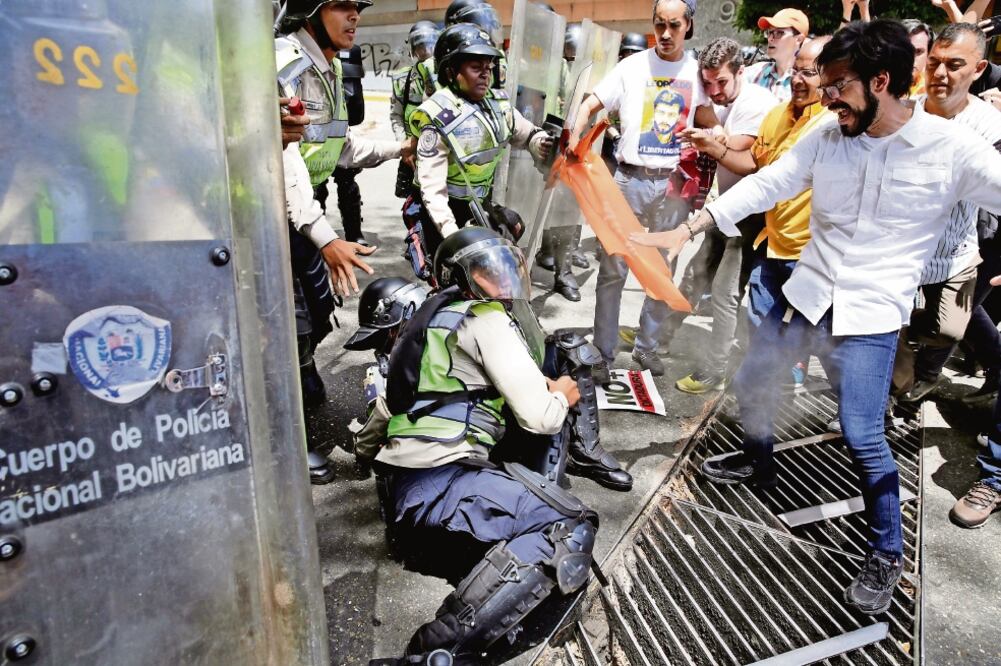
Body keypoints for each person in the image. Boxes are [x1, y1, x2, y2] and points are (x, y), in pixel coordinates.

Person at [632, 20, 1001, 615]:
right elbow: (771, 182)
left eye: (837, 85)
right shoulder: (829, 134)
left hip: (871, 317)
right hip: (807, 296)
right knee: (753, 383)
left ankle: (886, 553)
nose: (825, 97)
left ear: (881, 81)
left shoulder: (953, 149)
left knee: (862, 435)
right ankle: (759, 464)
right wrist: (690, 226)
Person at [368, 227, 599, 664]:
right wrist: (562, 396)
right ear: (463, 277)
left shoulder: (426, 326)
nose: (501, 278)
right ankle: (433, 653)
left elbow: (381, 420)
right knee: (565, 530)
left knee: (515, 589)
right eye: (487, 271)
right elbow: (541, 418)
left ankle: (464, 649)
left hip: (405, 499)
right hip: (444, 483)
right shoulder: (486, 319)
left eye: (503, 267)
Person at [276, 0, 409, 482]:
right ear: (311, 8)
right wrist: (327, 237)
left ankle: (305, 394)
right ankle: (287, 443)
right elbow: (285, 161)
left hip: (303, 213)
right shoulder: (284, 63)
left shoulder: (325, 69)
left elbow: (341, 145)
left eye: (357, 8)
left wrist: (402, 148)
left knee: (312, 320)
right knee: (285, 333)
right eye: (342, 6)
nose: (355, 17)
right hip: (273, 217)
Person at [566, 0, 719, 377]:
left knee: (660, 269)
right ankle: (602, 351)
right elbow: (591, 103)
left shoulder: (696, 72)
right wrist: (575, 130)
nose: (665, 34)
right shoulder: (632, 66)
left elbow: (712, 123)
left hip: (673, 185)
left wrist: (713, 138)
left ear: (689, 27)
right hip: (628, 182)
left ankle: (646, 348)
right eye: (659, 24)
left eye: (674, 26)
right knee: (613, 267)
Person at [679, 36, 832, 393]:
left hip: (809, 250)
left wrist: (716, 143)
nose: (798, 79)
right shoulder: (778, 114)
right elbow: (756, 167)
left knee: (821, 336)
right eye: (796, 71)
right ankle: (758, 395)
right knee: (759, 317)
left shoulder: (832, 126)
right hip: (769, 236)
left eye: (810, 73)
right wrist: (712, 146)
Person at [892, 23, 1001, 405]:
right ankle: (887, 401)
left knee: (950, 331)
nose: (939, 74)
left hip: (956, 251)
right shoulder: (904, 112)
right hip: (901, 253)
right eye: (934, 62)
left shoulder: (991, 127)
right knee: (894, 359)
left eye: (954, 65)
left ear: (979, 68)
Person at [672, 38, 778, 394]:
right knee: (695, 276)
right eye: (709, 83)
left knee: (724, 293)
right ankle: (658, 336)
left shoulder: (758, 103)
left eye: (722, 82)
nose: (715, 91)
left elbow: (740, 154)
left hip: (752, 214)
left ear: (741, 72)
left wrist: (711, 137)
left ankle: (715, 369)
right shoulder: (719, 99)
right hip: (726, 208)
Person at [406, 23, 554, 266]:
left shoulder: (498, 105)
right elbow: (433, 191)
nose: (486, 74)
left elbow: (527, 134)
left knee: (505, 253)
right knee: (453, 280)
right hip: (442, 213)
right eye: (476, 68)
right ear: (451, 71)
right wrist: (452, 235)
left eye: (489, 67)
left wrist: (542, 144)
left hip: (478, 206)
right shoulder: (438, 117)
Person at [391, 21, 441, 197]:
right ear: (413, 49)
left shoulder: (448, 77)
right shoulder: (402, 80)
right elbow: (396, 116)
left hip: (441, 157)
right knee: (413, 210)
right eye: (420, 46)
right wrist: (405, 148)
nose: (426, 52)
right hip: (412, 156)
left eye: (430, 46)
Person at [745, 8, 808, 101]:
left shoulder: (806, 84)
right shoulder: (751, 74)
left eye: (779, 33)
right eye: (769, 32)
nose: (770, 38)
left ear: (799, 39)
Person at [901, 19, 934, 97]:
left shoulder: (934, 91)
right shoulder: (875, 85)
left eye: (918, 52)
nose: (911, 59)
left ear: (929, 55)